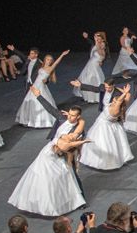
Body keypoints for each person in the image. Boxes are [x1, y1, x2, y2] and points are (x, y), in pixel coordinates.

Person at [8, 87, 88, 217]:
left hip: (66, 154)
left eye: (73, 115)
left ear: (78, 117)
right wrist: (38, 96)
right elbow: (50, 109)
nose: (70, 117)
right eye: (69, 114)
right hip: (51, 150)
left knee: (72, 175)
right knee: (43, 176)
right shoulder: (62, 119)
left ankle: (80, 200)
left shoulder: (79, 129)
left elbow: (76, 143)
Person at [78, 84, 134, 171]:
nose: (113, 102)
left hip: (104, 127)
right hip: (111, 125)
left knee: (104, 144)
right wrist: (124, 92)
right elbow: (128, 96)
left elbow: (120, 100)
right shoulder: (123, 105)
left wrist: (124, 93)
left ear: (118, 103)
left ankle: (106, 163)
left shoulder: (115, 109)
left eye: (115, 102)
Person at [14, 50, 69, 128]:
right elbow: (33, 59)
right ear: (45, 60)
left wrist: (62, 55)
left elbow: (56, 63)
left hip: (41, 87)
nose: (49, 61)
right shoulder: (41, 65)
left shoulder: (50, 68)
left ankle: (41, 122)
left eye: (50, 60)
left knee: (40, 102)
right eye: (47, 59)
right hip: (34, 85)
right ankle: (28, 120)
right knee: (29, 101)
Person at [72, 31, 106, 103]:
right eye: (95, 36)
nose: (96, 38)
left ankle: (95, 98)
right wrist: (87, 38)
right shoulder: (95, 44)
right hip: (90, 64)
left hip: (95, 66)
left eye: (98, 36)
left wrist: (101, 61)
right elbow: (91, 43)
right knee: (85, 80)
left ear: (102, 38)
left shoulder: (102, 44)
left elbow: (102, 54)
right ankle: (87, 97)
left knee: (93, 80)